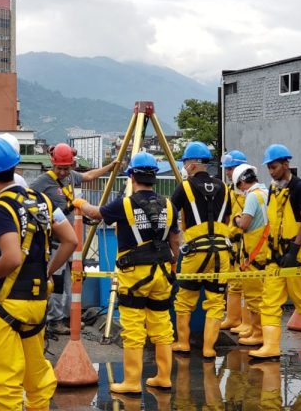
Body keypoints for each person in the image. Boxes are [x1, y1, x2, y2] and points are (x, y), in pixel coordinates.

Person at [0, 137, 77, 410]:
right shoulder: (42, 201)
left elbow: (12, 257)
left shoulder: (0, 208)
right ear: (15, 168)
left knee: (5, 384)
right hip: (36, 303)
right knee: (36, 379)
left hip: (5, 304)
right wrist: (46, 272)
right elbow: (71, 240)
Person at [73, 152, 179, 395]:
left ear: (131, 175)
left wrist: (80, 204)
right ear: (154, 176)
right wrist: (173, 266)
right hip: (162, 271)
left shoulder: (125, 204)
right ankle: (163, 377)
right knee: (162, 325)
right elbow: (175, 239)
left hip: (134, 274)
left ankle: (132, 382)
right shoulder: (169, 205)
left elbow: (96, 214)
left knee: (133, 327)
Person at [29, 142, 118, 335]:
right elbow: (28, 199)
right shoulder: (43, 182)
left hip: (73, 242)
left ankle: (69, 316)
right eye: (60, 168)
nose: (63, 172)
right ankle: (54, 320)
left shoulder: (71, 177)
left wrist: (110, 167)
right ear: (53, 164)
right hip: (57, 242)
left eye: (66, 168)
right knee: (58, 282)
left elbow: (89, 176)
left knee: (74, 280)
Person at [249, 144, 301, 361]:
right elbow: (273, 220)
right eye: (269, 168)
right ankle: (270, 346)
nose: (271, 171)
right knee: (269, 299)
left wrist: (294, 249)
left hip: (296, 253)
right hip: (275, 253)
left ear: (286, 164)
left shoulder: (300, 188)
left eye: (274, 167)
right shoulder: (273, 188)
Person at [170, 141, 232, 358]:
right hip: (221, 252)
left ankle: (183, 344)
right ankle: (208, 349)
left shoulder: (185, 187)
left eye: (185, 162)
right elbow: (227, 218)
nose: (184, 166)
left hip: (195, 251)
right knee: (216, 302)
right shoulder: (224, 187)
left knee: (185, 300)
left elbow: (170, 215)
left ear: (193, 163)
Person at [230, 164, 269, 347]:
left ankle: (259, 333)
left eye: (240, 186)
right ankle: (255, 329)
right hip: (263, 250)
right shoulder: (266, 192)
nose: (241, 190)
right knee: (260, 294)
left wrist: (236, 218)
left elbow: (244, 224)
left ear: (243, 181)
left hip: (254, 252)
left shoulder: (253, 196)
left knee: (254, 295)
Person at [220, 150, 249, 333]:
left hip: (246, 244)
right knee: (233, 283)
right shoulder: (229, 191)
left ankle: (247, 322)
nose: (228, 173)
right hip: (232, 244)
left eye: (230, 169)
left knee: (247, 284)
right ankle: (233, 318)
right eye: (228, 170)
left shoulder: (250, 191)